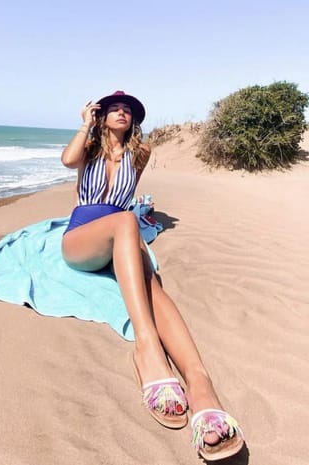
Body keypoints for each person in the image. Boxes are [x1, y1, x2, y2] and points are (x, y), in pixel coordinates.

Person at [61, 91, 245, 461]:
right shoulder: (90, 149)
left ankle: (200, 385)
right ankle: (148, 349)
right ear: (100, 116)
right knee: (125, 220)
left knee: (154, 289)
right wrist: (85, 122)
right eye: (112, 109)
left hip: (122, 237)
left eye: (127, 110)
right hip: (82, 240)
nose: (121, 112)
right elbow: (68, 160)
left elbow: (128, 196)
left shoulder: (140, 154)